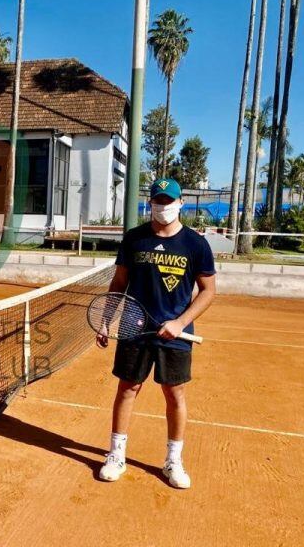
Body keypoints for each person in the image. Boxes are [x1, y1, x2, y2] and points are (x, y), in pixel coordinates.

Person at [97, 178, 216, 489]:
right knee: (127, 389)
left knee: (174, 394)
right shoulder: (134, 239)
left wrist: (179, 322)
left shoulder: (196, 244)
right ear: (149, 203)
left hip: (176, 334)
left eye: (169, 201)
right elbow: (118, 283)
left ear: (181, 204)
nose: (163, 206)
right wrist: (107, 320)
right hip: (133, 328)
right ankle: (116, 455)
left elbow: (208, 291)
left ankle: (173, 461)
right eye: (157, 201)